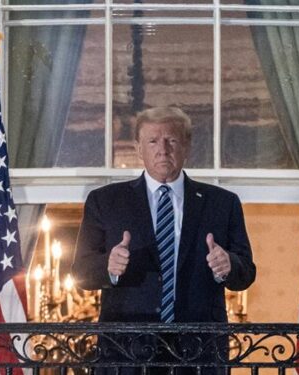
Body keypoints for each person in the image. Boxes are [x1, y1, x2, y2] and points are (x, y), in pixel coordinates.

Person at [71, 106, 256, 327]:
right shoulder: (105, 201)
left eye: (172, 141)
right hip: (128, 348)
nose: (163, 150)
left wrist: (228, 266)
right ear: (138, 149)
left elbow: (246, 273)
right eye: (153, 142)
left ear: (186, 147)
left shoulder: (223, 203)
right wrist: (109, 267)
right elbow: (81, 272)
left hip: (199, 347)